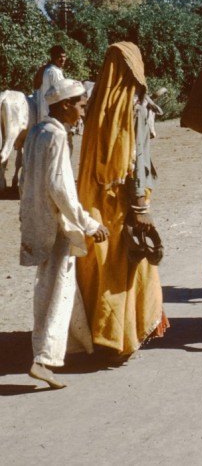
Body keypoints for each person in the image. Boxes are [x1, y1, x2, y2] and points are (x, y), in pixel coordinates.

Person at [76, 42, 168, 360]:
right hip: (122, 201)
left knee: (97, 265)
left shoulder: (94, 103)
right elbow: (136, 159)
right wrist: (141, 206)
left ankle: (97, 336)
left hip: (92, 199)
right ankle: (120, 337)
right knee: (122, 266)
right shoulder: (136, 105)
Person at [20, 79, 109, 388]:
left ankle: (72, 346)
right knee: (59, 290)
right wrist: (89, 224)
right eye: (81, 106)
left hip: (38, 220)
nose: (83, 113)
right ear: (66, 105)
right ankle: (44, 359)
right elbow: (60, 189)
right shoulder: (57, 136)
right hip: (58, 225)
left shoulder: (36, 132)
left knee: (48, 288)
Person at [34, 45, 67, 123]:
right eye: (60, 57)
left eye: (64, 56)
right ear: (53, 57)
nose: (63, 60)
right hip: (53, 112)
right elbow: (61, 94)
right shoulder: (54, 71)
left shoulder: (46, 69)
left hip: (44, 109)